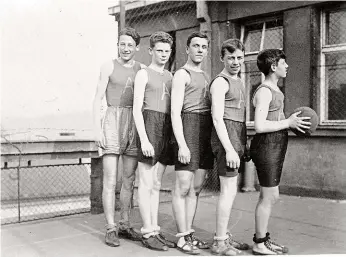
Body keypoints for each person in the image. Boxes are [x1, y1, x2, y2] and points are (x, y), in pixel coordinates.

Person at [250, 49, 311, 255]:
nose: (287, 66)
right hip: (266, 146)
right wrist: (287, 122)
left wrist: (292, 121)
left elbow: (277, 119)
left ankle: (262, 239)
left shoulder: (276, 90)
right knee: (269, 196)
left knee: (269, 195)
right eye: (284, 63)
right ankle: (259, 243)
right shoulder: (265, 91)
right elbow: (259, 126)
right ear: (273, 67)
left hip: (275, 145)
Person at [92, 27, 145, 247]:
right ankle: (111, 228)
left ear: (137, 48)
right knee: (110, 179)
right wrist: (97, 130)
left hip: (134, 122)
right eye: (122, 44)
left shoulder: (141, 69)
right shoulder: (108, 66)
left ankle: (124, 224)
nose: (125, 48)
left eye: (130, 45)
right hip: (112, 121)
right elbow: (97, 99)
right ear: (118, 45)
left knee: (129, 180)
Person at [133, 31, 176, 251]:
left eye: (167, 51)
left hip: (166, 127)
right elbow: (136, 109)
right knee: (146, 181)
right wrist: (145, 139)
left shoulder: (171, 76)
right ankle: (147, 231)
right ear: (151, 51)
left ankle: (155, 229)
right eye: (159, 50)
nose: (163, 54)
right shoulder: (143, 74)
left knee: (157, 183)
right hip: (149, 125)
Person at [171, 31, 214, 255]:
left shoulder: (207, 77)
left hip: (204, 129)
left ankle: (189, 234)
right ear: (187, 49)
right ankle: (181, 237)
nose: (199, 50)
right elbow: (175, 113)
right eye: (195, 46)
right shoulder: (181, 74)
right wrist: (182, 144)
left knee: (196, 188)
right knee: (183, 185)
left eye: (203, 46)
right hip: (187, 127)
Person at [209, 39, 250, 256]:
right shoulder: (220, 82)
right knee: (227, 191)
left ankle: (224, 236)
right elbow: (217, 119)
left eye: (239, 58)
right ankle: (219, 242)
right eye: (231, 58)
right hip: (226, 140)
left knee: (231, 190)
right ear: (222, 58)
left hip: (236, 137)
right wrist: (230, 149)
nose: (235, 62)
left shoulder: (239, 81)